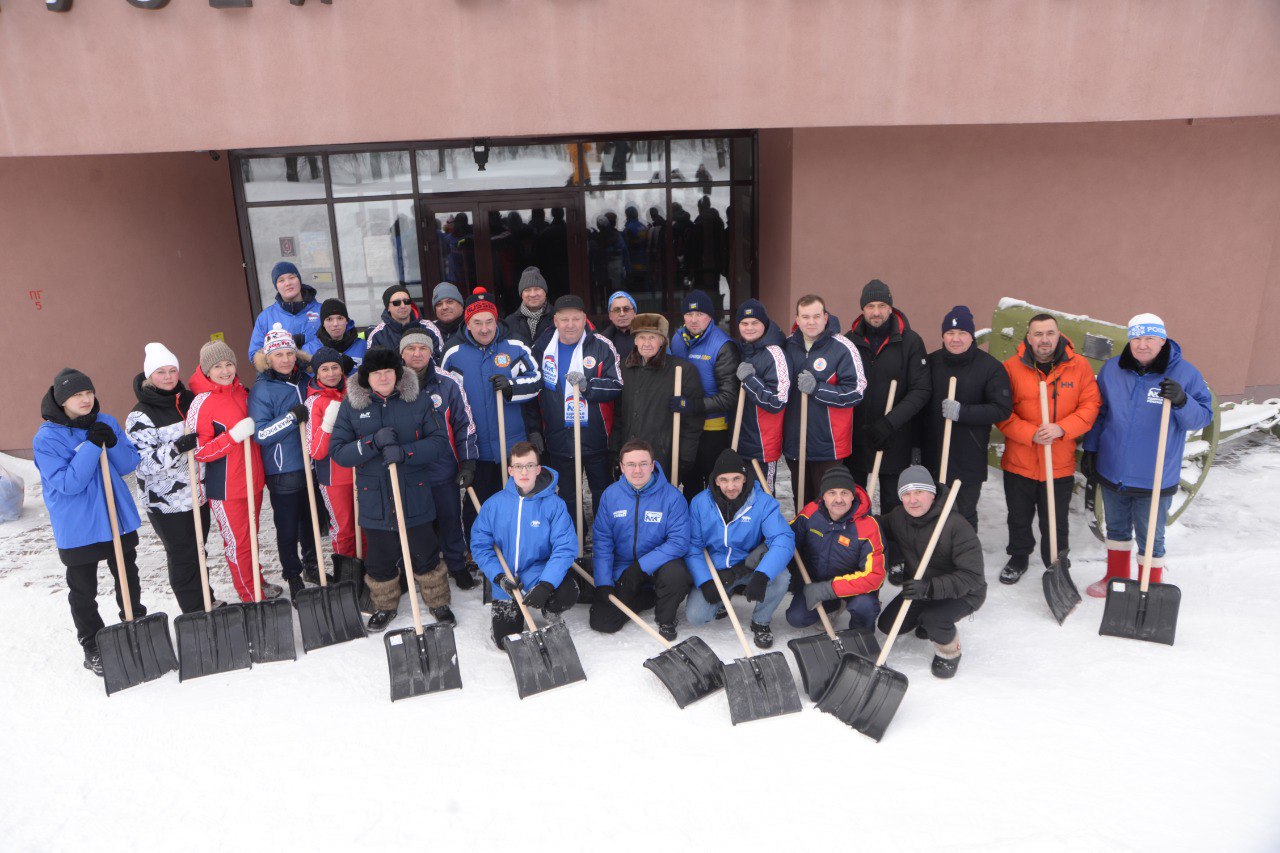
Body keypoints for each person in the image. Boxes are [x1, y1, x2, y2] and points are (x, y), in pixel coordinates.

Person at [1080, 313, 1213, 596]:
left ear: (1162, 340)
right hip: (1113, 468)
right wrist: (1091, 449)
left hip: (1155, 473)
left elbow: (1201, 418)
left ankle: (1151, 589)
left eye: (1150, 338)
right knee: (1115, 529)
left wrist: (1182, 400)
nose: (1143, 345)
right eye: (1137, 338)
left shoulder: (1185, 374)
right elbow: (1099, 412)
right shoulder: (1113, 369)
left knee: (1151, 537)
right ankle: (1115, 579)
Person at [330, 348, 454, 630]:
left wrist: (406, 453)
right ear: (367, 377)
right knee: (380, 557)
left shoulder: (418, 400)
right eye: (377, 373)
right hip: (376, 496)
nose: (383, 377)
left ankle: (438, 601)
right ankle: (384, 606)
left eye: (388, 371)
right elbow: (338, 452)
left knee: (425, 551)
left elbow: (439, 442)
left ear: (398, 374)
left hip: (414, 491)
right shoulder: (352, 405)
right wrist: (372, 442)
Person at [34, 368, 146, 676]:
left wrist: (114, 443)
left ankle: (134, 623)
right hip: (78, 524)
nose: (85, 400)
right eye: (76, 395)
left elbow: (127, 465)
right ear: (61, 401)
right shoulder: (46, 438)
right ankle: (93, 645)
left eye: (88, 393)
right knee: (83, 589)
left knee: (128, 574)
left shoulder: (105, 421)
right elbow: (69, 484)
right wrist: (92, 446)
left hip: (115, 516)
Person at [996, 313, 1101, 584]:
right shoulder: (1011, 368)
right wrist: (1032, 434)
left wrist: (1062, 428)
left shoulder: (1079, 367)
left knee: (1055, 519)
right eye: (1038, 334)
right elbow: (1002, 413)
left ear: (1059, 334)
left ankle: (1056, 560)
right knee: (1018, 516)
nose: (1045, 340)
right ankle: (1019, 556)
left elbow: (1091, 406)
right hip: (1020, 460)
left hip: (1058, 461)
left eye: (1050, 333)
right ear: (1029, 338)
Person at [124, 343, 220, 615]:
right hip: (166, 502)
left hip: (198, 494)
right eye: (161, 372)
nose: (168, 377)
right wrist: (176, 448)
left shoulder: (189, 401)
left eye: (172, 371)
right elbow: (141, 465)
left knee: (199, 551)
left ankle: (206, 599)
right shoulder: (141, 414)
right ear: (149, 377)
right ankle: (194, 611)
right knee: (182, 556)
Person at [440, 289, 541, 520]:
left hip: (512, 444)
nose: (484, 329)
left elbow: (537, 380)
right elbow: (444, 394)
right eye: (477, 323)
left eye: (489, 322)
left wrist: (512, 387)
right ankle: (476, 551)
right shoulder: (453, 353)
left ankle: (517, 545)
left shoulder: (515, 345)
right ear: (468, 323)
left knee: (517, 500)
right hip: (477, 446)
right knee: (478, 503)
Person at [876, 467, 985, 679]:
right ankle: (925, 621)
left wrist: (930, 588)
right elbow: (877, 526)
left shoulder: (956, 525)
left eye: (919, 492)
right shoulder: (899, 517)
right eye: (906, 494)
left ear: (932, 494)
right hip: (921, 588)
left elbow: (973, 576)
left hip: (963, 592)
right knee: (887, 625)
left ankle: (949, 652)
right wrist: (851, 519)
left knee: (934, 619)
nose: (912, 500)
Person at [187, 341, 276, 603]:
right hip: (226, 487)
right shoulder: (201, 403)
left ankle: (256, 580)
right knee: (238, 543)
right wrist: (233, 437)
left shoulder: (243, 393)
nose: (225, 371)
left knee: (251, 538)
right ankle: (250, 595)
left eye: (229, 364)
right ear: (206, 371)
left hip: (253, 481)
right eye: (217, 366)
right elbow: (199, 452)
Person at [470, 442, 579, 649]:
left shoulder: (554, 505)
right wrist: (499, 576)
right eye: (518, 466)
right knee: (505, 642)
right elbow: (480, 546)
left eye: (530, 465)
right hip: (507, 578)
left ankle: (550, 610)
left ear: (538, 469)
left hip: (538, 572)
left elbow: (565, 548)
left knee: (568, 591)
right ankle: (512, 608)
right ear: (510, 470)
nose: (524, 471)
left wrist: (546, 585)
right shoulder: (494, 505)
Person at [530, 294, 623, 535]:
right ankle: (576, 542)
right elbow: (533, 388)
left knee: (602, 490)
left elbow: (616, 385)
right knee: (568, 494)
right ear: (556, 321)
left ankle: (605, 538)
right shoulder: (542, 348)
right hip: (559, 436)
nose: (570, 324)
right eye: (565, 319)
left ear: (585, 320)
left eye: (576, 319)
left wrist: (588, 386)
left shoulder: (601, 345)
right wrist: (535, 429)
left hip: (595, 436)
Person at [684, 449, 795, 649]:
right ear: (715, 481)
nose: (731, 486)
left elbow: (783, 538)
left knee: (780, 578)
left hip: (750, 565)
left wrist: (763, 574)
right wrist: (705, 581)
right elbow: (693, 546)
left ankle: (761, 621)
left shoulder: (763, 502)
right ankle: (723, 596)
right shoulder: (700, 503)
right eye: (724, 480)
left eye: (736, 478)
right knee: (696, 616)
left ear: (745, 479)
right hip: (717, 568)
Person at [918, 305, 1013, 533]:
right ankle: (936, 561)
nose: (956, 339)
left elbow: (1001, 409)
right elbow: (917, 407)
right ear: (943, 336)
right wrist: (915, 449)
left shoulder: (990, 368)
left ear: (972, 336)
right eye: (950, 333)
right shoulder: (930, 364)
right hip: (934, 454)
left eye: (962, 333)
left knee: (963, 514)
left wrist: (963, 412)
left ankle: (967, 563)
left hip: (968, 456)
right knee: (932, 513)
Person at [400, 327, 480, 591]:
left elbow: (463, 423)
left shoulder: (448, 383)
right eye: (411, 348)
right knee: (415, 522)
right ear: (402, 353)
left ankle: (456, 564)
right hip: (407, 469)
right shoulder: (392, 382)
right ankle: (421, 567)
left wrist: (467, 461)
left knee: (450, 518)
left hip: (442, 467)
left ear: (432, 352)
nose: (417, 353)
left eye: (423, 348)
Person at [589, 440, 693, 640]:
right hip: (623, 569)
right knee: (602, 622)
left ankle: (665, 618)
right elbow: (602, 542)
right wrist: (603, 582)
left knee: (677, 574)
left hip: (659, 566)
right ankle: (646, 597)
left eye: (643, 464)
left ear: (652, 465)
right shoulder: (610, 496)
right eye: (631, 464)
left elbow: (679, 542)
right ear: (621, 467)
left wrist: (641, 567)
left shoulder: (672, 497)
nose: (637, 470)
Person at [844, 279, 931, 514]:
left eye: (881, 306)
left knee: (893, 507)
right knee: (856, 504)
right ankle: (862, 548)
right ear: (862, 309)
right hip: (857, 439)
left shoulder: (910, 342)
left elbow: (921, 390)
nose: (876, 312)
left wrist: (889, 423)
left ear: (890, 308)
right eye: (870, 306)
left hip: (895, 438)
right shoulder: (848, 342)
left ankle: (890, 549)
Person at [248, 323, 318, 597]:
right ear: (269, 359)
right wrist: (291, 418)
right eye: (279, 355)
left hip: (312, 463)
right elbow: (261, 433)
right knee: (288, 526)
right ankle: (293, 573)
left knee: (311, 522)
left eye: (289, 353)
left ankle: (312, 565)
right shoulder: (262, 390)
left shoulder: (305, 379)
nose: (286, 359)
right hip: (283, 470)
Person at [783, 294, 867, 508]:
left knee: (828, 506)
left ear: (826, 317)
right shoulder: (788, 345)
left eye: (816, 316)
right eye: (806, 317)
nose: (811, 322)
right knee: (801, 504)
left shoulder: (842, 347)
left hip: (828, 445)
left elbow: (856, 391)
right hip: (795, 443)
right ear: (797, 319)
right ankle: (802, 541)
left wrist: (817, 389)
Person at [610, 313, 704, 482]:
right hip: (630, 455)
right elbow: (618, 415)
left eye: (652, 337)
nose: (646, 343)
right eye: (642, 337)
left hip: (664, 455)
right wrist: (615, 449)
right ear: (635, 340)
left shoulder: (682, 370)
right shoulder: (622, 369)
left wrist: (685, 456)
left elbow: (693, 421)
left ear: (662, 340)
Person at [790, 466, 885, 631]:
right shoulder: (810, 513)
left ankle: (860, 633)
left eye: (844, 493)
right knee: (797, 617)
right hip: (816, 582)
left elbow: (874, 577)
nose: (838, 499)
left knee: (864, 606)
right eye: (832, 493)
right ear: (823, 496)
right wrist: (767, 546)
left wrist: (828, 589)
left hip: (854, 588)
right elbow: (788, 536)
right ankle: (834, 605)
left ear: (852, 495)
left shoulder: (868, 526)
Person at [670, 289, 740, 501]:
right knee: (689, 482)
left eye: (699, 314)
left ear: (710, 316)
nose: (693, 319)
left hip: (713, 428)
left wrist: (692, 406)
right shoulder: (677, 340)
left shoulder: (723, 346)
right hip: (684, 426)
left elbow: (729, 396)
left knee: (712, 482)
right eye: (689, 314)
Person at [305, 347, 359, 568]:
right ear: (317, 374)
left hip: (361, 469)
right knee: (344, 528)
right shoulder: (314, 402)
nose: (331, 373)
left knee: (365, 524)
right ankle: (346, 573)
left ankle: (369, 568)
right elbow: (315, 451)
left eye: (335, 367)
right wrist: (328, 424)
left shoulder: (355, 391)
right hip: (333, 475)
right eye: (324, 369)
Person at [732, 299, 789, 492]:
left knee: (763, 498)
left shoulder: (775, 353)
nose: (749, 328)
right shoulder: (741, 350)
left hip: (762, 445)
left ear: (764, 324)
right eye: (744, 323)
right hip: (739, 441)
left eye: (755, 322)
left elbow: (777, 401)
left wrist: (750, 379)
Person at [248, 261, 322, 358]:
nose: (288, 283)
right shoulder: (266, 317)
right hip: (284, 372)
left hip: (319, 372)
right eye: (281, 280)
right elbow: (255, 354)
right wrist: (282, 359)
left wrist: (302, 350)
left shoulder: (322, 310)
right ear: (276, 286)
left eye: (292, 277)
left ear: (299, 280)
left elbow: (333, 340)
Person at [366, 285, 444, 361]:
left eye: (407, 301)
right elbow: (373, 366)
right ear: (388, 308)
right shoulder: (377, 335)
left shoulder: (429, 328)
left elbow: (439, 359)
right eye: (396, 303)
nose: (403, 306)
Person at [302, 298, 366, 372]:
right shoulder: (309, 349)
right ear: (323, 323)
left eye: (340, 318)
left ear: (347, 321)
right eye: (329, 319)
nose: (335, 324)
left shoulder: (363, 347)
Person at [504, 266, 554, 347]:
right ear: (521, 295)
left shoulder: (558, 318)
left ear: (545, 292)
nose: (533, 294)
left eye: (537, 289)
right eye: (527, 290)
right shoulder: (510, 322)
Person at [600, 290, 638, 361]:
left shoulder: (646, 336)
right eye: (616, 310)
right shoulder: (601, 341)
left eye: (626, 309)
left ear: (634, 312)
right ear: (610, 315)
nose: (622, 314)